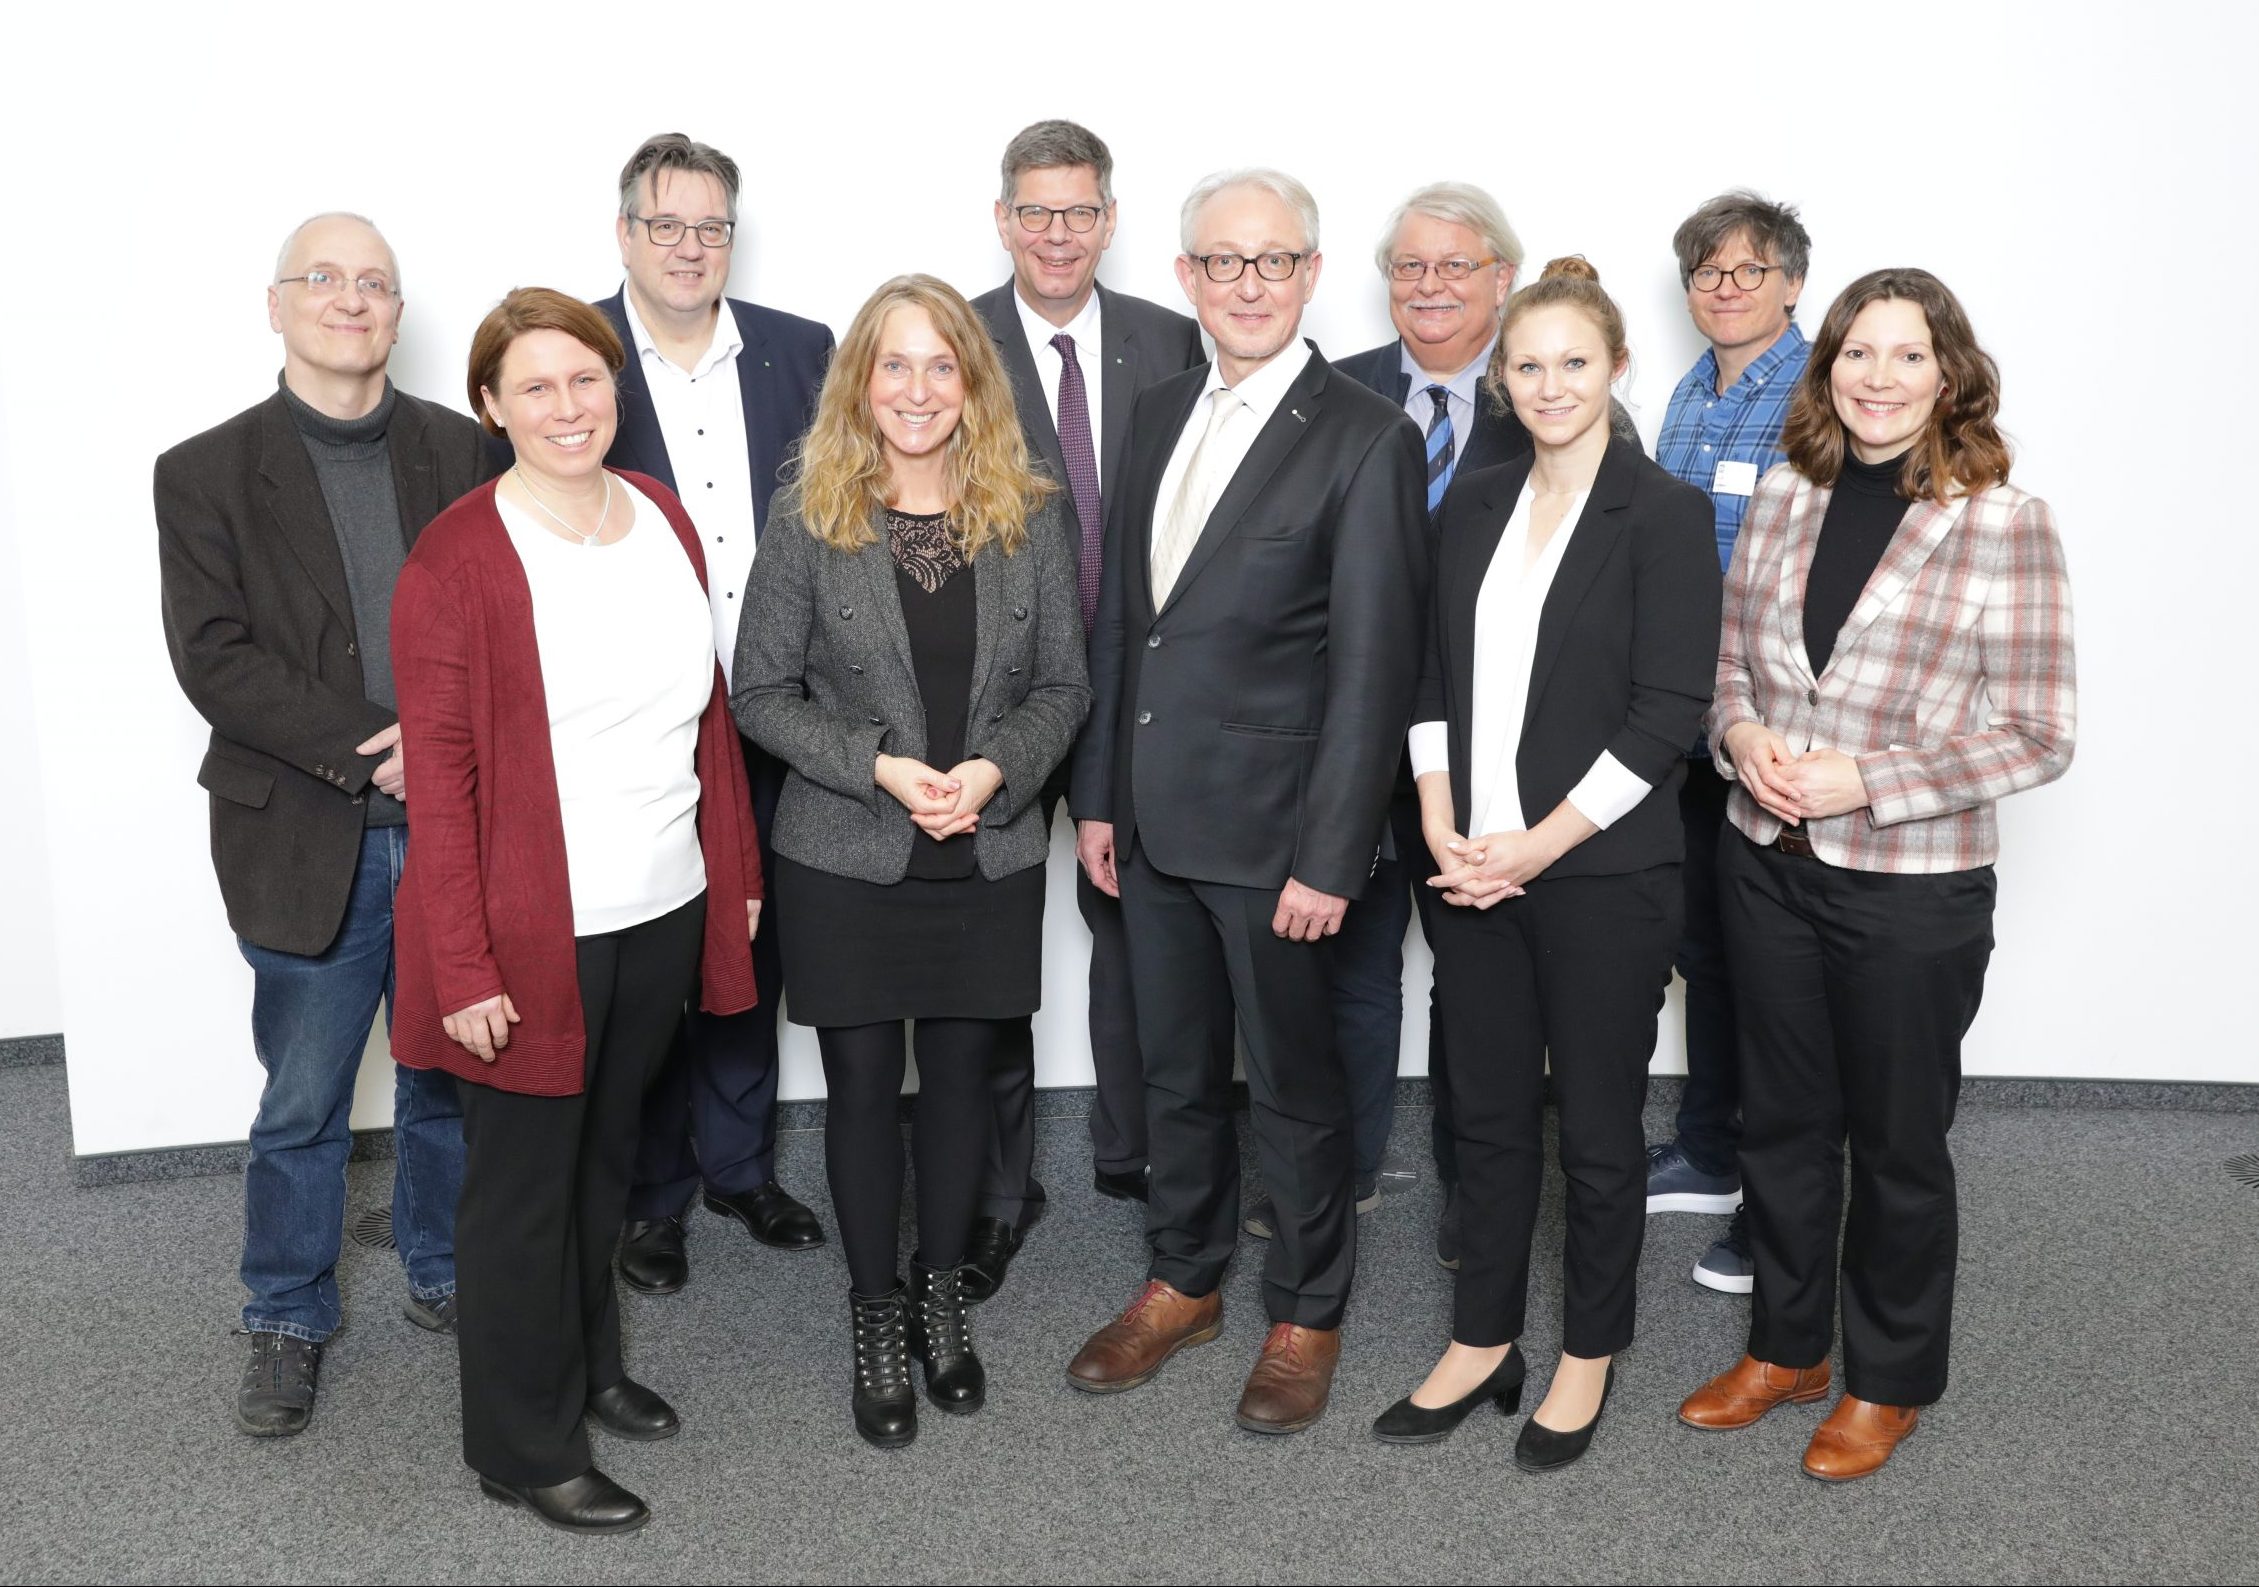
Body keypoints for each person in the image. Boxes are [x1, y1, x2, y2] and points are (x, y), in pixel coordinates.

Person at [1679, 269, 2074, 1481]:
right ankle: (1787, 1347)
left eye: (1908, 357)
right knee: (1782, 1125)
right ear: (1828, 365)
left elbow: (2040, 732)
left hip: (1910, 889)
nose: (1879, 378)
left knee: (1898, 1141)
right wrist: (1740, 741)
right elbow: (1731, 670)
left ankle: (1888, 1378)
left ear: (1948, 374)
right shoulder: (1789, 499)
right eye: (1859, 353)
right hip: (1768, 864)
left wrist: (1872, 781)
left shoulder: (2004, 521)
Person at [390, 288, 766, 1535]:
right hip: (527, 928)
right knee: (522, 1191)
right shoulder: (459, 557)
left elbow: (704, 723)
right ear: (490, 406)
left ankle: (592, 1367)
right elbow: (438, 786)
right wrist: (465, 965)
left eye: (587, 381)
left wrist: (737, 873)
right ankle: (521, 1441)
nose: (568, 407)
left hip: (659, 904)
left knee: (606, 1157)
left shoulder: (656, 513)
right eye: (535, 387)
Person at [1066, 169, 1429, 1435]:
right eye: (1223, 264)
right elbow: (1128, 625)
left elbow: (1376, 671)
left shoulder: (1367, 436)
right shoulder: (1158, 410)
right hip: (1155, 825)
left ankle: (1307, 1308)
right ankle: (1183, 1278)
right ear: (1188, 280)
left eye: (1273, 263)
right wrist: (1101, 794)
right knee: (1172, 1071)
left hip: (1281, 841)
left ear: (1312, 275)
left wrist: (1333, 857)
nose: (1248, 287)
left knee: (1292, 1085)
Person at [732, 275, 1090, 1448]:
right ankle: (874, 1309)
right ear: (861, 383)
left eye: (943, 366)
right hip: (846, 853)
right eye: (896, 365)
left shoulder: (1029, 512)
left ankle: (942, 1297)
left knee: (961, 1093)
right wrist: (882, 766)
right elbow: (761, 695)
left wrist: (992, 773)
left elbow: (1065, 687)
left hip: (985, 851)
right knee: (863, 1094)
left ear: (972, 383)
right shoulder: (812, 514)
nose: (919, 389)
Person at [1375, 258, 1718, 1470]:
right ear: (1501, 379)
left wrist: (1536, 845)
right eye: (1528, 365)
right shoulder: (1473, 502)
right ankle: (1482, 1341)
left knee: (1600, 1133)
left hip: (1597, 880)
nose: (1551, 383)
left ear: (1618, 369)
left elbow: (1665, 713)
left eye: (1576, 362)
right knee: (1485, 1116)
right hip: (1467, 868)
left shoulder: (1665, 514)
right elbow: (1427, 679)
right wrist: (1436, 818)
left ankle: (1588, 1351)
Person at [155, 212, 489, 1439]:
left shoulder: (463, 452)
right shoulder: (202, 472)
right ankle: (286, 1313)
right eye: (326, 278)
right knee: (300, 1098)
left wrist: (442, 743)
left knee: (448, 1073)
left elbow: (504, 627)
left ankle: (447, 1272)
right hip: (304, 829)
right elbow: (214, 661)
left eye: (376, 284)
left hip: (456, 824)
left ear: (398, 314)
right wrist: (377, 745)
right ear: (278, 303)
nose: (352, 299)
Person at [1323, 188, 1646, 1273]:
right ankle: (1346, 1171)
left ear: (1503, 283)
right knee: (1353, 961)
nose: (1431, 288)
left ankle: (1480, 1190)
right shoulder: (1337, 392)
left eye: (1456, 268)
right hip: (1363, 738)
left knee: (1476, 988)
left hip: (1507, 770)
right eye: (1410, 268)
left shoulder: (1560, 406)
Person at [965, 118, 1208, 1299]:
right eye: (1035, 211)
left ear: (1110, 220)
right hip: (997, 699)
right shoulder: (950, 343)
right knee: (998, 944)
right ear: (1003, 219)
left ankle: (1142, 1152)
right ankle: (1001, 1188)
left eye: (1080, 211)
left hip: (1145, 693)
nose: (1057, 234)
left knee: (1141, 934)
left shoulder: (1174, 342)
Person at [595, 131, 835, 1296]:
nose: (690, 248)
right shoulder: (577, 357)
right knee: (652, 965)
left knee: (755, 951)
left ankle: (739, 1168)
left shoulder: (801, 352)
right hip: (640, 731)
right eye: (666, 225)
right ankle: (653, 1197)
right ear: (626, 234)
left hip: (783, 719)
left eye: (710, 227)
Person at [1648, 190, 1813, 1294]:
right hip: (1687, 714)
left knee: (1779, 972)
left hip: (1779, 730)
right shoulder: (1690, 393)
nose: (1725, 289)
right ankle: (1711, 1147)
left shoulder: (1819, 395)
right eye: (1707, 273)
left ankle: (1778, 1190)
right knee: (1703, 945)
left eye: (1748, 272)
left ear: (1792, 283)